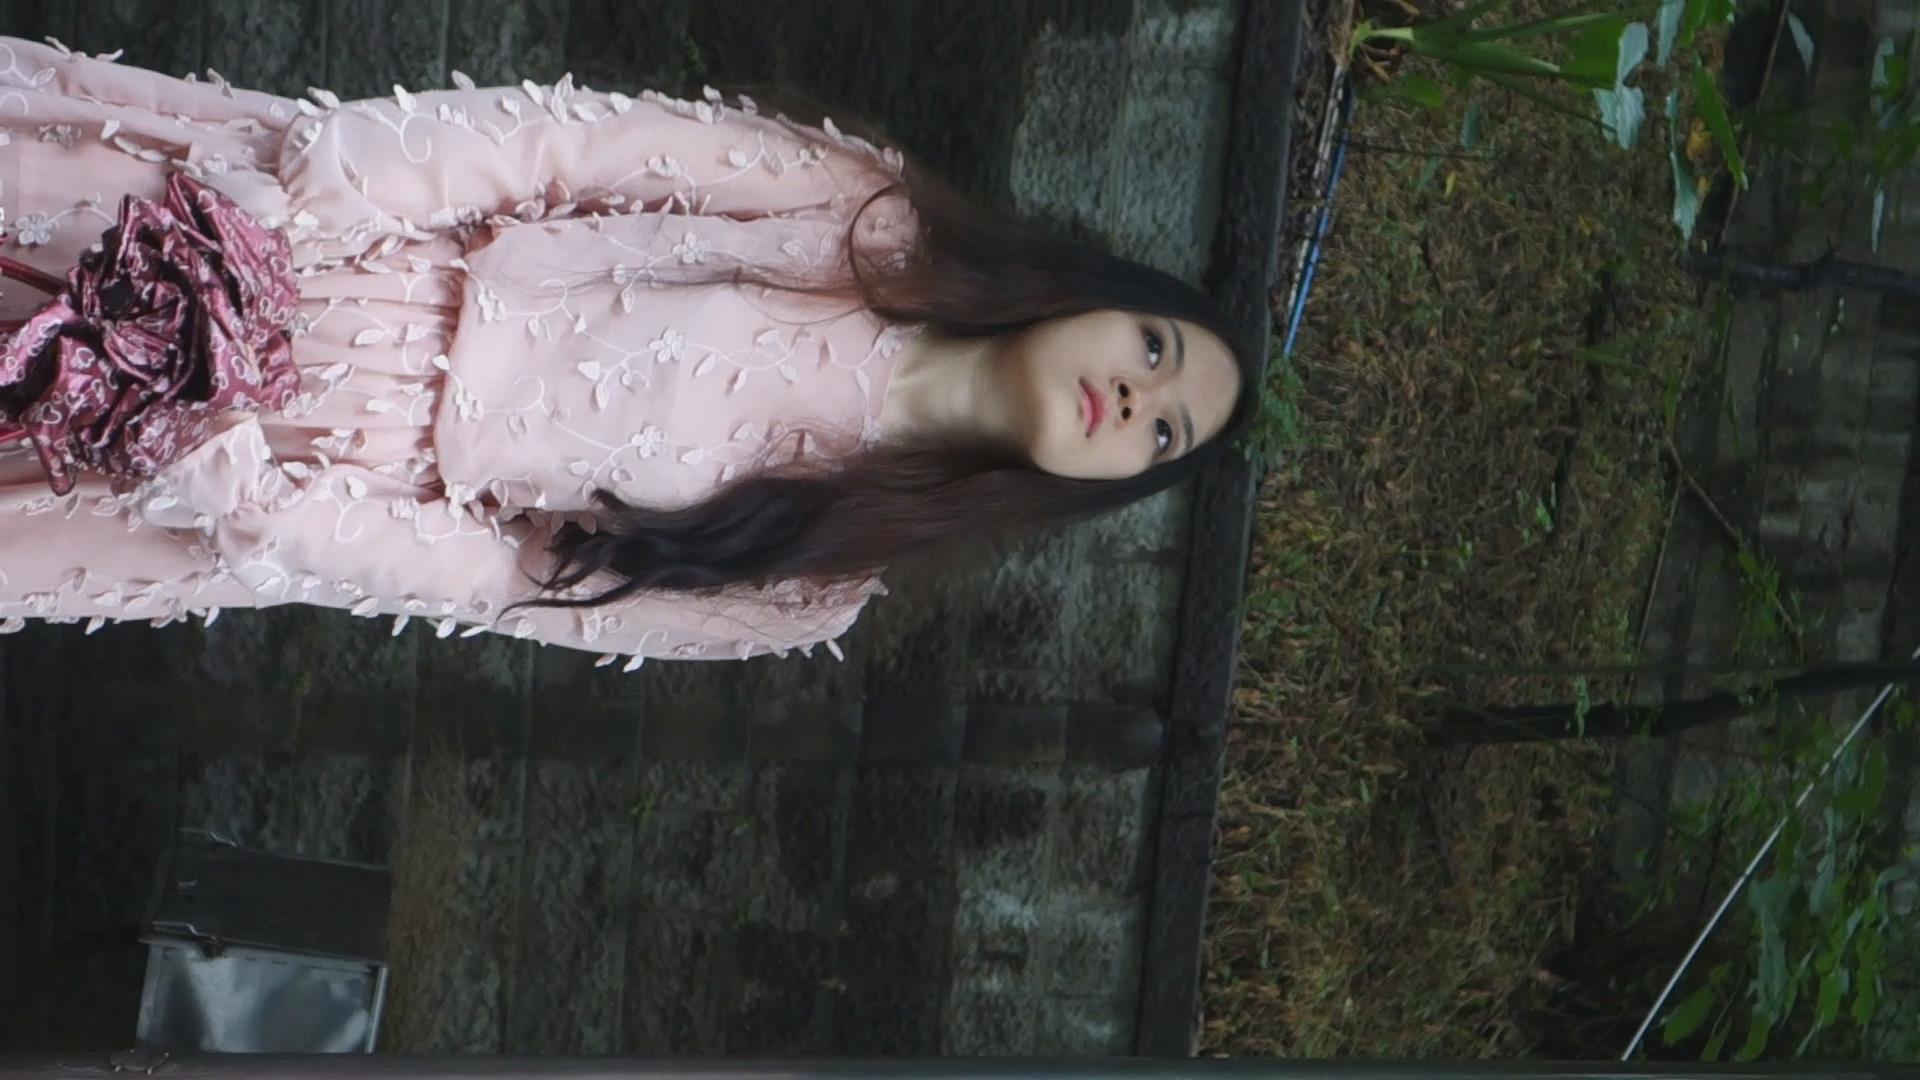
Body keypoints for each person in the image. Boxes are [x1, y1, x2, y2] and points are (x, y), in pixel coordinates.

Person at [0, 35, 1256, 666]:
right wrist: (294, 216)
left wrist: (261, 498)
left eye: (1164, 431)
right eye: (1155, 349)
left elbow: (505, 582)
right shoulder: (862, 218)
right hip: (304, 242)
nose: (1133, 395)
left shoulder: (811, 587)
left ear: (1109, 485)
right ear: (1094, 297)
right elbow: (569, 146)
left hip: (277, 472)